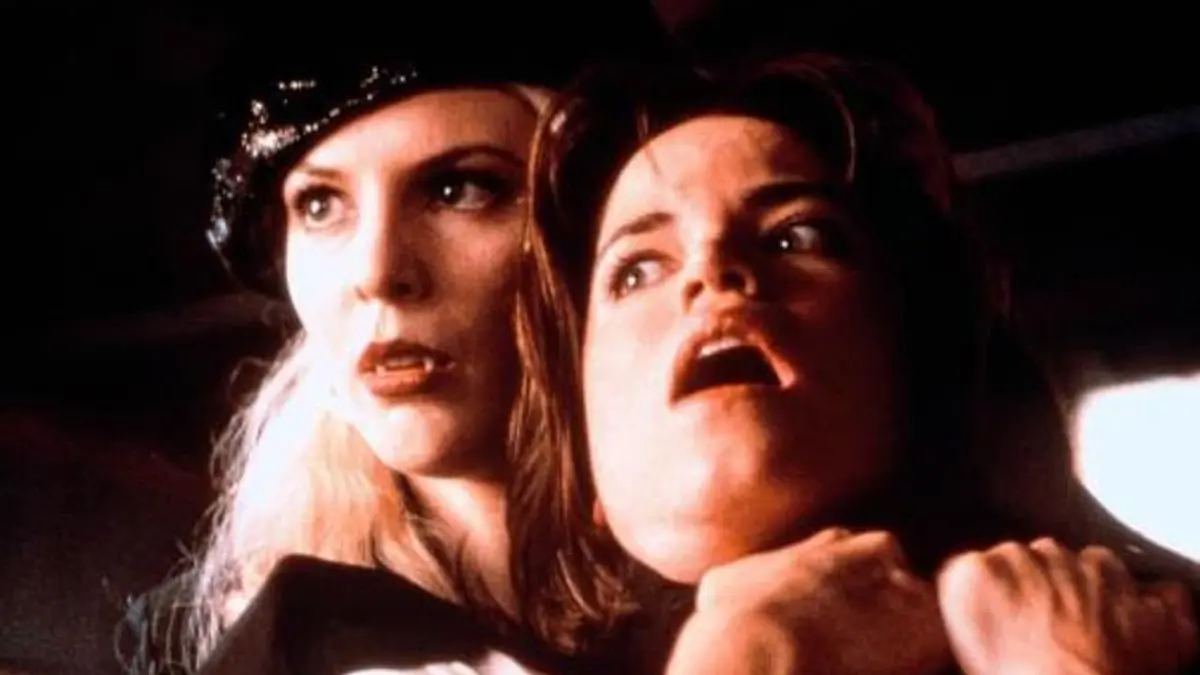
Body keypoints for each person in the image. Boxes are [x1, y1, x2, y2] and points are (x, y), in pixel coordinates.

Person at [519, 50, 1200, 673]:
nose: (711, 268)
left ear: (919, 357)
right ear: (585, 463)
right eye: (636, 271)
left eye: (798, 235)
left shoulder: (1164, 631)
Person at [117, 4, 669, 674]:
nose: (376, 272)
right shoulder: (212, 640)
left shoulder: (764, 598)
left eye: (459, 189)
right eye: (320, 205)